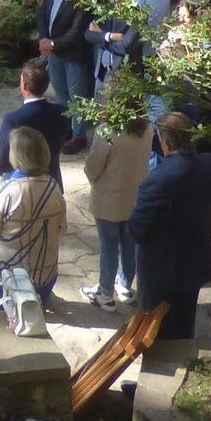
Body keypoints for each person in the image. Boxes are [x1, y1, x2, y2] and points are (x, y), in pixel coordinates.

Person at [127, 112, 211, 341]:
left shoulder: (159, 178)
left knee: (155, 333)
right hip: (193, 264)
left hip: (162, 271)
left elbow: (138, 228)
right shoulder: (208, 166)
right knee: (184, 328)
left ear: (165, 142)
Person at [0, 127, 67, 308]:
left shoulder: (3, 192)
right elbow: (61, 229)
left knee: (5, 316)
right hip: (45, 274)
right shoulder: (54, 188)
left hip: (7, 276)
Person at [81, 115, 151, 307]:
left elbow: (93, 167)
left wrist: (92, 178)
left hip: (109, 200)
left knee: (109, 245)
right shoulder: (147, 129)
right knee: (129, 244)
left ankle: (105, 293)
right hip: (135, 198)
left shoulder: (107, 131)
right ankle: (125, 285)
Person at [35, 0, 92, 153]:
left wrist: (52, 44)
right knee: (61, 94)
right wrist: (43, 38)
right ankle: (66, 129)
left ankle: (79, 136)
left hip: (73, 53)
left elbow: (77, 31)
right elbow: (43, 13)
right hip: (53, 52)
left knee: (77, 95)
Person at [0, 62, 69, 188]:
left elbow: (0, 160)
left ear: (25, 86)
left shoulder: (12, 120)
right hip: (52, 182)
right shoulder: (61, 112)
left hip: (21, 185)